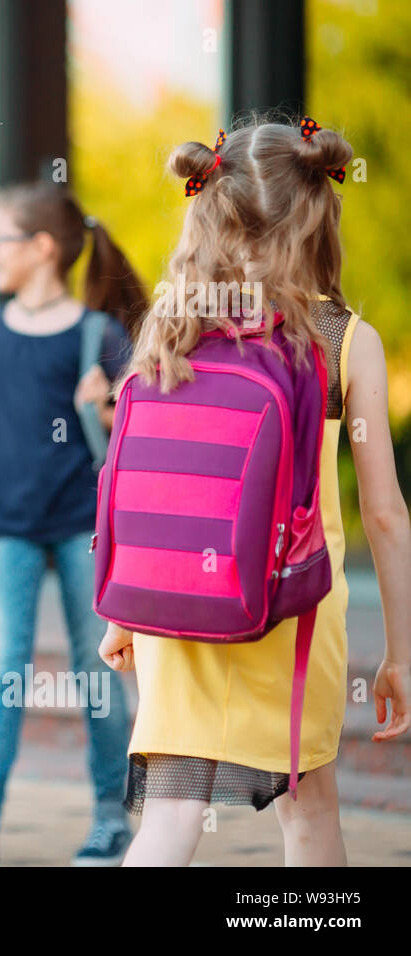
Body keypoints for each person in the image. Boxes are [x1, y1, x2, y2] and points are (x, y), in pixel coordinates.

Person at [97, 117, 411, 866]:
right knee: (309, 814)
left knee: (169, 819)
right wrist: (400, 652)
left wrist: (121, 611)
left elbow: (133, 477)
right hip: (291, 610)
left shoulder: (172, 330)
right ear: (317, 218)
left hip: (173, 607)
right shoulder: (342, 339)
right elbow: (385, 514)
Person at [0, 181, 146, 867]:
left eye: (0, 241)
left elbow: (132, 439)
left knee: (97, 671)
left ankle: (112, 820)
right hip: (7, 531)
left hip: (86, 525)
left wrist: (104, 407)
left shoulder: (98, 335)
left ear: (42, 247)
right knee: (3, 672)